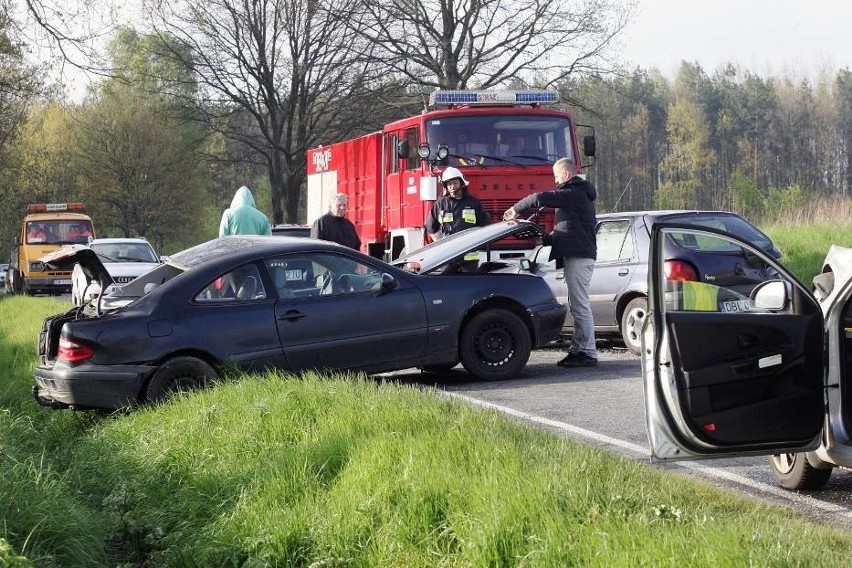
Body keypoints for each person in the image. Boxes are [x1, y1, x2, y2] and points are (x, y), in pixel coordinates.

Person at [503, 157, 598, 368]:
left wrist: (516, 209)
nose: (555, 182)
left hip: (579, 257)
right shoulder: (578, 195)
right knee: (577, 305)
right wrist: (546, 239)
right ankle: (578, 350)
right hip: (578, 254)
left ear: (566, 174)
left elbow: (539, 197)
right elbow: (568, 229)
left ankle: (588, 353)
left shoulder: (574, 193)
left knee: (580, 306)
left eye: (556, 177)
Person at [424, 167, 490, 242]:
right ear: (446, 186)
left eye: (455, 183)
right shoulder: (441, 204)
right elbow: (430, 226)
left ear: (461, 183)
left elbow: (484, 224)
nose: (452, 187)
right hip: (451, 251)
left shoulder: (473, 203)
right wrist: (441, 243)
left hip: (470, 250)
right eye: (449, 184)